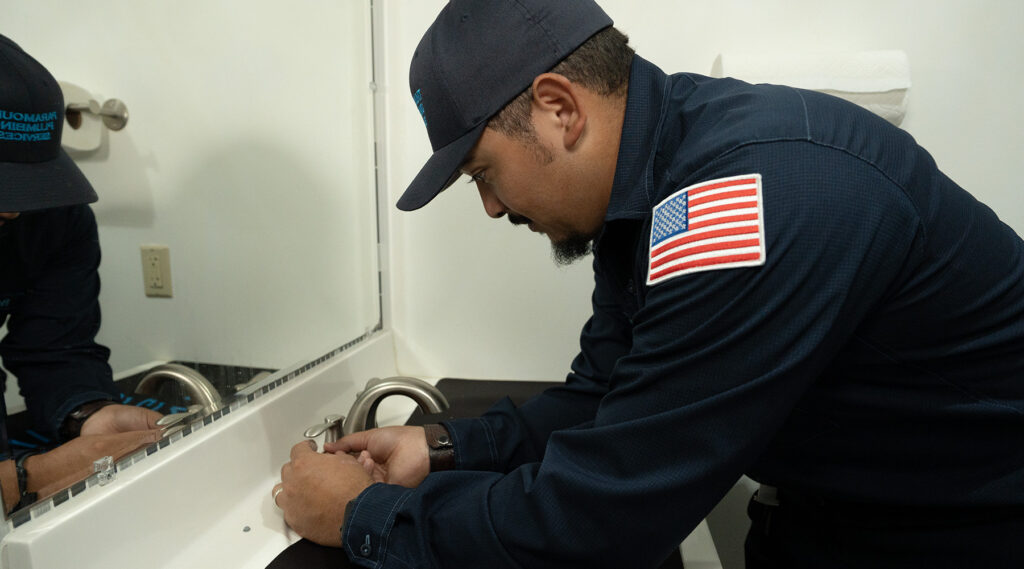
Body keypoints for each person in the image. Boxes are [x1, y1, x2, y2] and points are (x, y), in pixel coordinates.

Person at [274, 1, 1024, 567]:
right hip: (841, 503)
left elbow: (600, 519)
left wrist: (361, 517)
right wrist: (442, 445)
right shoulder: (654, 191)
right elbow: (606, 392)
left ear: (559, 107)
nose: (494, 206)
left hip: (964, 525)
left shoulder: (745, 199)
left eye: (484, 173)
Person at [1, 34, 162, 513]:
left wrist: (88, 415)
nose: (13, 213)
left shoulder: (52, 214)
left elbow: (56, 345)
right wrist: (26, 478)